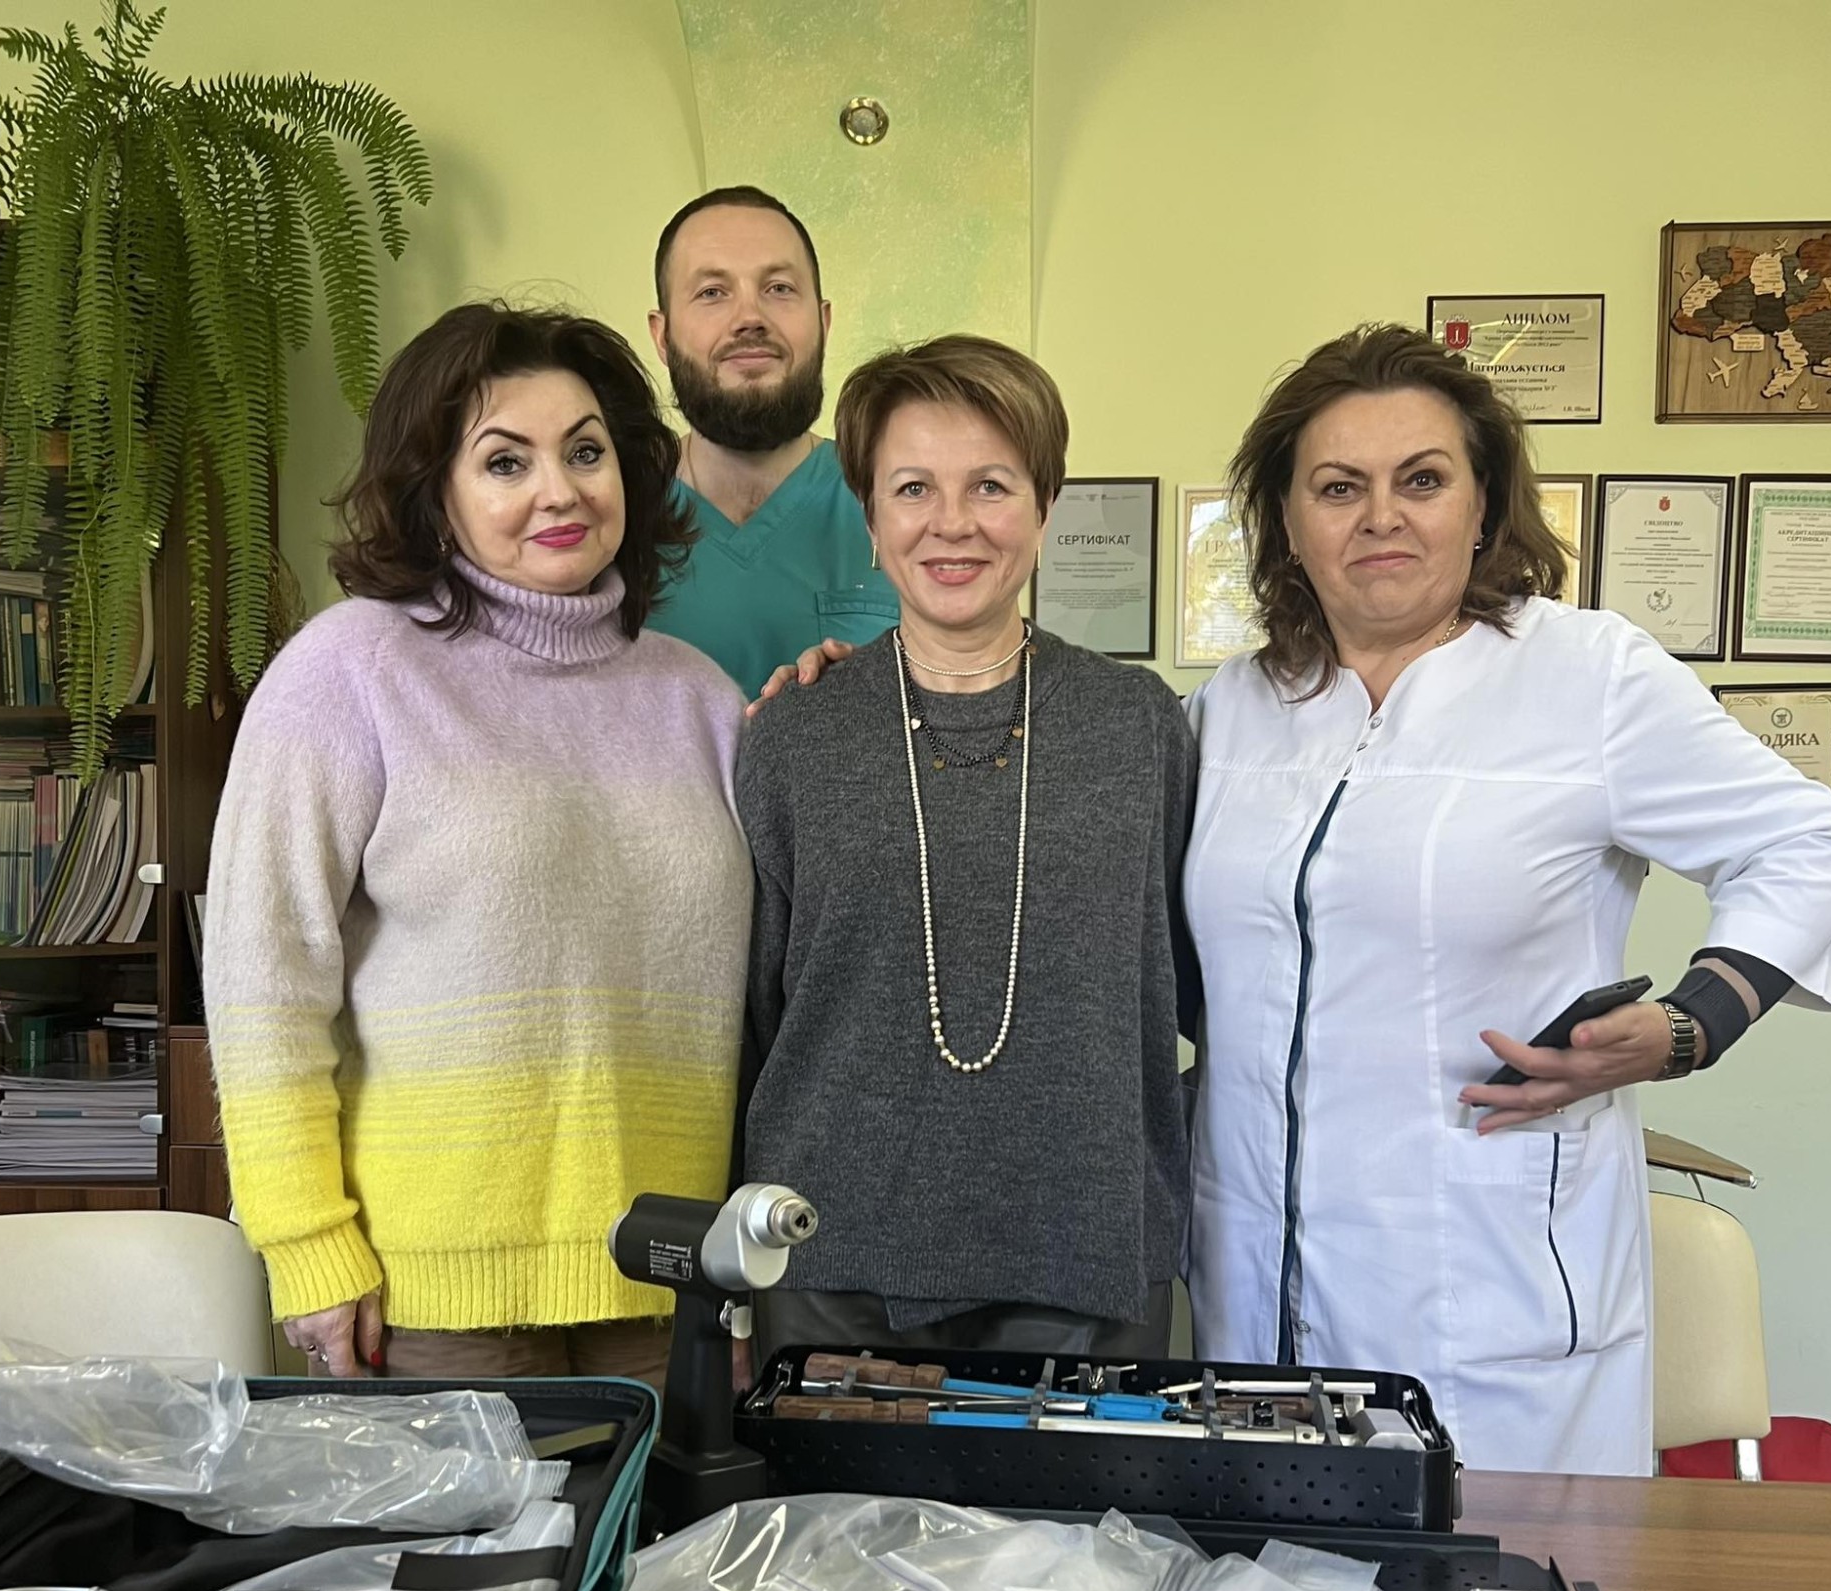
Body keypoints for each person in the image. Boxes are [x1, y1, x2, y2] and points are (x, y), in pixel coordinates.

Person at [1183, 322, 1831, 1475]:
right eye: (1339, 487)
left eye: (1421, 479)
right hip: (1257, 1291)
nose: (1381, 516)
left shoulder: (1587, 678)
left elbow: (1809, 844)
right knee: (1271, 1571)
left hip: (1494, 1289)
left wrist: (1692, 1021)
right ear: (1287, 521)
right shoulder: (1233, 709)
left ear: (1484, 504)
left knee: (1510, 1580)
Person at [204, 303, 751, 1382]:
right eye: (506, 461)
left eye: (586, 451)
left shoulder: (703, 699)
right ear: (434, 490)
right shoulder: (349, 670)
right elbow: (263, 977)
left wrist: (737, 1277)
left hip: (669, 1289)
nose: (561, 489)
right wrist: (307, 1245)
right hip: (425, 1303)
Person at [738, 335, 1196, 1356]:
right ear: (871, 520)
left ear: (1044, 506)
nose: (952, 522)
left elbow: (1196, 982)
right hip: (830, 1256)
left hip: (1086, 1251)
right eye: (913, 488)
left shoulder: (1138, 724)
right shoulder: (796, 733)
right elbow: (753, 1019)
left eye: (991, 485)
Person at [644, 185, 898, 699]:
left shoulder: (900, 500)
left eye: (779, 288)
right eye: (712, 292)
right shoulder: (613, 515)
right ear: (662, 337)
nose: (750, 317)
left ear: (823, 323)